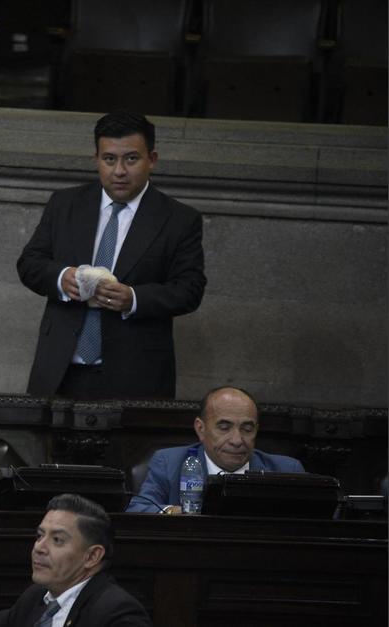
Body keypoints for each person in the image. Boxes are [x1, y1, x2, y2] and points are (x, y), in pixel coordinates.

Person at [17, 110, 206, 399]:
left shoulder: (179, 219)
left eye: (131, 159)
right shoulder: (65, 204)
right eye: (109, 159)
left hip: (137, 375)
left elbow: (190, 290)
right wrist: (61, 279)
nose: (119, 171)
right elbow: (30, 263)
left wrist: (134, 298)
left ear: (151, 160)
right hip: (60, 371)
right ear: (96, 160)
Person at [0, 494, 151, 627]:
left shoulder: (118, 613)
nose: (39, 548)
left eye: (57, 540)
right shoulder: (36, 597)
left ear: (92, 556)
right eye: (39, 536)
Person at [126, 386, 306, 514]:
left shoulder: (287, 470)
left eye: (247, 429)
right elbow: (137, 508)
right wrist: (181, 513)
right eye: (224, 427)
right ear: (201, 429)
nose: (237, 440)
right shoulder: (169, 462)